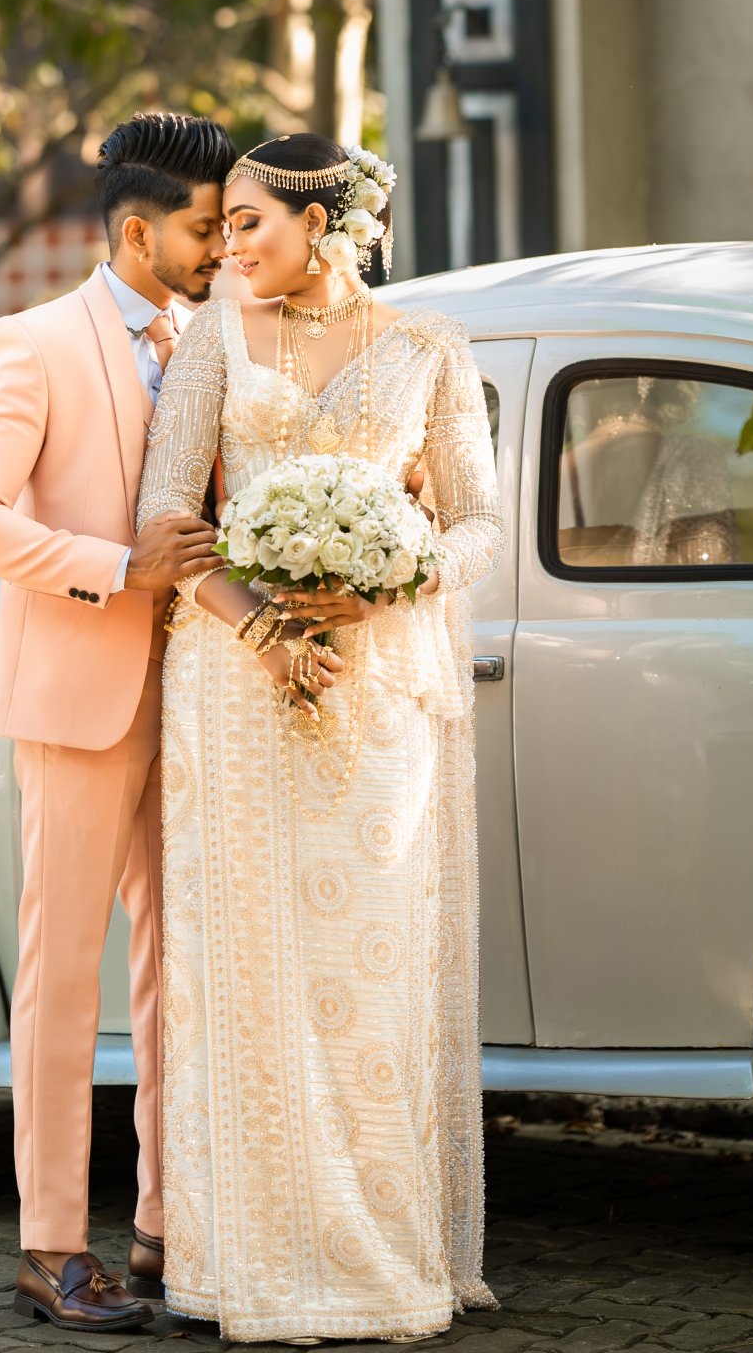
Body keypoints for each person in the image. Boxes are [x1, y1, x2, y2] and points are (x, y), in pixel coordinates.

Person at [136, 133, 502, 1343]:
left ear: (326, 226)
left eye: (248, 223)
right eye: (223, 225)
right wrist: (267, 635)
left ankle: (379, 1256)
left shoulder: (427, 350)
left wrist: (392, 582)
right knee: (248, 975)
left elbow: (479, 520)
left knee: (369, 972)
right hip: (236, 696)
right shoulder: (211, 348)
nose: (228, 245)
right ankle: (253, 1261)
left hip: (379, 690)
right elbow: (170, 526)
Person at [0, 111, 235, 1333]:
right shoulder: (33, 342)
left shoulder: (222, 340)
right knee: (63, 982)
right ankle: (50, 1245)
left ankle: (164, 1230)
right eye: (205, 229)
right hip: (74, 702)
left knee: (185, 975)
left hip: (205, 705)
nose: (223, 248)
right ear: (135, 230)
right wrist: (118, 566)